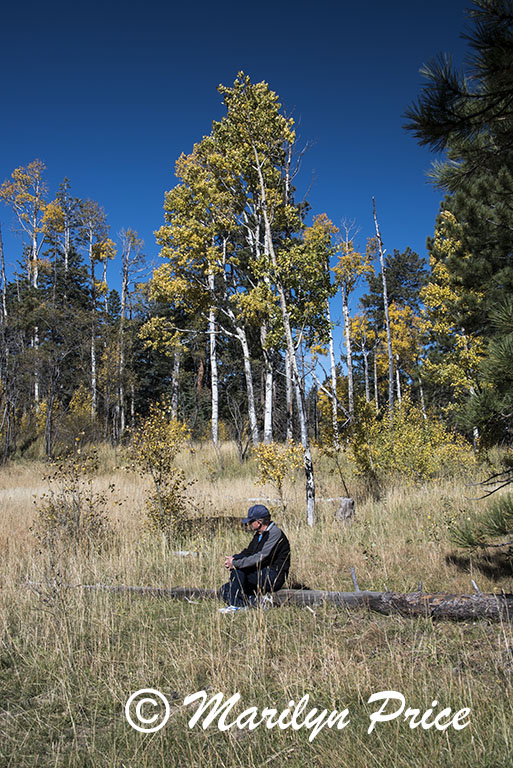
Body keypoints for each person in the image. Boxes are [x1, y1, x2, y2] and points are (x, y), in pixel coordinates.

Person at [219, 504, 290, 613]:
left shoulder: (275, 534)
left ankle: (237, 605)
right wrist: (234, 558)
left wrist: (236, 563)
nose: (249, 524)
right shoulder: (259, 534)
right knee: (224, 590)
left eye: (251, 521)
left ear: (259, 522)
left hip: (272, 576)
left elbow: (260, 558)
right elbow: (249, 552)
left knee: (239, 569)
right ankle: (255, 601)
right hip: (259, 572)